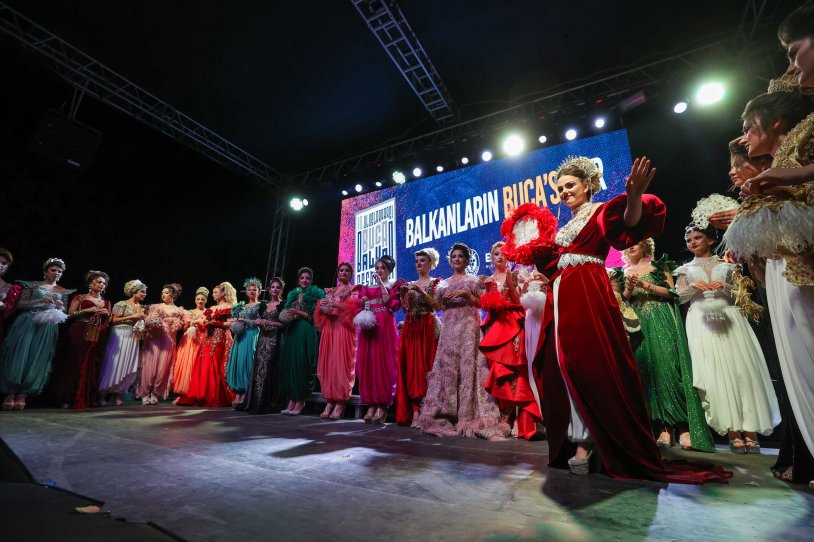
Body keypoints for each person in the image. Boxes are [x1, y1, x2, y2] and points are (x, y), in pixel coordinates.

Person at [533, 156, 730, 483]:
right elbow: (556, 261)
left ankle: (590, 440)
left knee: (586, 363)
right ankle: (578, 437)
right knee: (563, 365)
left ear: (587, 185)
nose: (564, 192)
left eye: (570, 185)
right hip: (562, 292)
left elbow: (628, 222)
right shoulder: (564, 226)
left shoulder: (600, 211)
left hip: (587, 291)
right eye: (560, 188)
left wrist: (634, 196)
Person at [676, 224, 780, 452]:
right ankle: (733, 431)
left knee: (742, 371)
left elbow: (743, 294)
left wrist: (725, 285)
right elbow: (679, 297)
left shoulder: (728, 265)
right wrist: (692, 287)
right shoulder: (685, 269)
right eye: (689, 240)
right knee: (715, 373)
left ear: (711, 240)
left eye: (697, 237)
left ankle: (751, 430)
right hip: (701, 321)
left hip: (730, 317)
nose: (692, 242)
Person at [611, 240, 714, 452]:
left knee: (669, 369)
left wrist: (645, 285)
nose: (631, 246)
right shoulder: (620, 273)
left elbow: (673, 293)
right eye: (628, 244)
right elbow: (621, 302)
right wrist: (628, 288)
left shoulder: (659, 266)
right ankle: (663, 429)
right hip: (637, 323)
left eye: (636, 242)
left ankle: (684, 427)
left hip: (660, 317)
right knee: (646, 375)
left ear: (644, 245)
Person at [415, 243, 509, 440]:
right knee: (448, 368)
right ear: (450, 260)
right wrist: (422, 293)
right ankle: (448, 412)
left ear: (466, 260)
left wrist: (467, 295)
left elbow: (483, 304)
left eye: (460, 257)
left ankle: (466, 414)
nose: (457, 259)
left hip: (469, 329)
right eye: (454, 257)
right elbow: (438, 306)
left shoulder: (474, 281)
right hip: (450, 330)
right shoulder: (443, 284)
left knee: (468, 367)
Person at [480, 241, 542, 439]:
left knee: (515, 370)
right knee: (499, 372)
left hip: (513, 324)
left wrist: (510, 285)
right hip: (495, 328)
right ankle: (505, 415)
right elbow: (486, 307)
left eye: (503, 253)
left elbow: (519, 302)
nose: (500, 256)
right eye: (496, 253)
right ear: (491, 257)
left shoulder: (515, 275)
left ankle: (517, 416)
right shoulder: (488, 280)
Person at [0, 258, 74, 411]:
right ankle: (10, 392)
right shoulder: (33, 285)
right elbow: (21, 304)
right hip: (28, 322)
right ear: (45, 271)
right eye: (53, 270)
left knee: (37, 357)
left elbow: (64, 312)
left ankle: (23, 394)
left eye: (59, 271)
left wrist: (60, 306)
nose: (56, 273)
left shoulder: (62, 291)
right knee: (19, 355)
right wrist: (40, 300)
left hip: (47, 326)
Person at [353, 255, 404, 423]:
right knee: (368, 363)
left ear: (389, 270)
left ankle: (382, 405)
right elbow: (359, 305)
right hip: (370, 326)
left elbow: (390, 304)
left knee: (384, 363)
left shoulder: (394, 285)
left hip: (384, 325)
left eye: (383, 268)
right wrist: (363, 303)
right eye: (377, 268)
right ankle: (371, 404)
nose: (379, 270)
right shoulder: (367, 287)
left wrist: (381, 284)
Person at [52, 270, 112, 409]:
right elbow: (70, 314)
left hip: (97, 332)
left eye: (103, 283)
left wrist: (107, 314)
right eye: (98, 282)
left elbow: (109, 321)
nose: (101, 285)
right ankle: (67, 397)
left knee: (92, 363)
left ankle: (87, 397)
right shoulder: (80, 297)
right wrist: (86, 310)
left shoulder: (107, 302)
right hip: (79, 329)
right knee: (74, 362)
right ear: (91, 284)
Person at [395, 249, 441, 426]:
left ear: (430, 263)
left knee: (426, 367)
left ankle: (426, 410)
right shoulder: (410, 284)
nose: (419, 263)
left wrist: (421, 292)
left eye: (423, 260)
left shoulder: (436, 282)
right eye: (417, 261)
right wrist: (402, 296)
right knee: (411, 368)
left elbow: (437, 305)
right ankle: (415, 411)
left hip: (427, 327)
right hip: (411, 328)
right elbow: (407, 309)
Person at [177, 282, 236, 407]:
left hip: (220, 337)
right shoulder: (212, 308)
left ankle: (213, 394)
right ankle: (201, 393)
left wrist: (217, 323)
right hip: (208, 337)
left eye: (215, 292)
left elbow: (232, 324)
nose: (213, 295)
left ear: (223, 293)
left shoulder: (229, 306)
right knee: (204, 362)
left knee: (215, 363)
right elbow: (206, 322)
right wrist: (204, 324)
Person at [278, 267, 324, 416]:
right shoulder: (293, 295)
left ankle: (300, 400)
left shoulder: (316, 294)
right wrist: (287, 315)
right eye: (302, 278)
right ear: (298, 280)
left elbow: (314, 317)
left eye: (307, 278)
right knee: (291, 364)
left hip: (306, 330)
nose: (304, 280)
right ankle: (291, 399)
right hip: (293, 330)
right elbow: (287, 314)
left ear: (311, 281)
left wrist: (298, 312)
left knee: (302, 363)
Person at [314, 263, 357, 420]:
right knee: (328, 363)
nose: (344, 272)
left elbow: (354, 310)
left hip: (343, 328)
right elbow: (320, 311)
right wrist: (322, 307)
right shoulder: (331, 291)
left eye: (347, 270)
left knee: (341, 363)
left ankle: (340, 401)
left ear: (351, 274)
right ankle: (329, 400)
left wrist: (335, 304)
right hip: (329, 328)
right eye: (341, 270)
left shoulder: (354, 290)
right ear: (338, 273)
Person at [238, 277, 285, 414]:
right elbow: (257, 321)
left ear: (281, 290)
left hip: (275, 340)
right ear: (269, 289)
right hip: (262, 338)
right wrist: (254, 322)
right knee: (259, 369)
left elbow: (285, 325)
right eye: (273, 287)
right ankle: (256, 401)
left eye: (278, 287)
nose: (275, 289)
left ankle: (266, 402)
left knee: (270, 369)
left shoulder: (283, 305)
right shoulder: (263, 305)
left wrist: (269, 323)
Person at [98, 279, 146, 405]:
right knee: (114, 363)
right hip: (120, 334)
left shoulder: (141, 307)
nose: (144, 294)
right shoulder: (122, 304)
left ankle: (119, 393)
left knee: (127, 364)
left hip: (133, 337)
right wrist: (132, 316)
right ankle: (103, 394)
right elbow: (112, 320)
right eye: (142, 292)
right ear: (134, 292)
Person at [138, 283, 185, 405]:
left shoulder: (178, 310)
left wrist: (174, 321)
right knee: (149, 366)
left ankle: (155, 393)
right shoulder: (156, 307)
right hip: (155, 339)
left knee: (162, 368)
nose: (163, 295)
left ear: (173, 295)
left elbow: (183, 323)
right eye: (163, 293)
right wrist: (150, 319)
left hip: (168, 341)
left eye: (166, 293)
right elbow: (147, 320)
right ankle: (145, 393)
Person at [226, 278, 263, 406]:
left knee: (248, 362)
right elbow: (236, 320)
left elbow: (260, 322)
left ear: (259, 291)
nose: (252, 291)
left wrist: (246, 321)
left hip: (252, 335)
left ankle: (246, 392)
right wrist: (236, 324)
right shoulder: (241, 306)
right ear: (246, 292)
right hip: (240, 336)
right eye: (249, 289)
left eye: (254, 289)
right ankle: (238, 392)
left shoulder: (261, 306)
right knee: (239, 362)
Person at [171, 287, 209, 398]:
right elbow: (184, 329)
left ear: (206, 301)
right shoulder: (189, 312)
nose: (200, 301)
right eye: (198, 299)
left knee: (198, 363)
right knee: (187, 363)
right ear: (195, 300)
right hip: (188, 340)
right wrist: (189, 324)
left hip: (201, 338)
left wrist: (200, 324)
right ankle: (185, 391)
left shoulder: (208, 312)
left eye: (202, 299)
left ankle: (197, 390)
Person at [0, 248, 22, 349]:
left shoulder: (9, 287)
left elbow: (10, 309)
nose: (0, 265)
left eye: (4, 263)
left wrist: (3, 306)